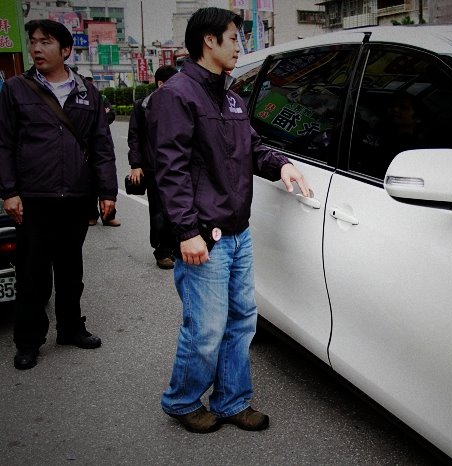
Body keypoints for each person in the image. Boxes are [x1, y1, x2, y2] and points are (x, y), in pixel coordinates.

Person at [149, 7, 309, 434]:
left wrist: (281, 164)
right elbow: (170, 170)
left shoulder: (232, 98)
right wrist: (186, 231)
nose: (240, 46)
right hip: (204, 235)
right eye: (234, 38)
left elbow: (252, 148)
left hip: (238, 232)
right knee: (206, 328)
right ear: (209, 41)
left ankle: (231, 400)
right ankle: (182, 400)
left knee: (242, 321)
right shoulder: (177, 95)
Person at [0, 20, 118, 370]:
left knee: (70, 268)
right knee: (32, 272)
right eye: (33, 42)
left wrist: (107, 192)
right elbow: (4, 143)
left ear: (66, 50)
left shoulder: (87, 92)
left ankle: (70, 328)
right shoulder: (16, 89)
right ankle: (28, 341)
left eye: (46, 42)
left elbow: (101, 145)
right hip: (34, 197)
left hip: (76, 196)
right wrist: (9, 191)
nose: (37, 48)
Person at [127, 65, 178, 269]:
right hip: (154, 167)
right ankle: (162, 251)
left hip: (178, 167)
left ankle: (176, 247)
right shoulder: (142, 107)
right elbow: (134, 137)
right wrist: (135, 164)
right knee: (159, 211)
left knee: (179, 208)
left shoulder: (181, 104)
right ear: (160, 84)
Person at [82, 68, 120, 227]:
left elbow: (110, 114)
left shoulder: (100, 97)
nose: (88, 82)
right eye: (86, 79)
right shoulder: (78, 98)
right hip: (84, 147)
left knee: (106, 177)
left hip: (101, 141)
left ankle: (108, 216)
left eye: (90, 79)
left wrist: (100, 118)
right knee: (89, 182)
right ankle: (91, 214)